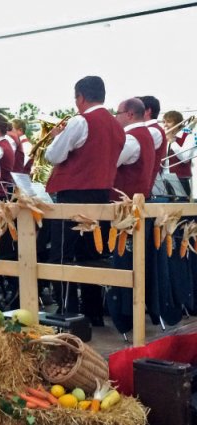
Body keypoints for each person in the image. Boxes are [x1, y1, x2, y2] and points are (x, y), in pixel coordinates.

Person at [44, 76, 125, 326]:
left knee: (62, 254)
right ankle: (93, 313)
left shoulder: (81, 121)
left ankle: (66, 312)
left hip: (74, 195)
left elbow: (53, 155)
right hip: (101, 195)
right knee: (92, 255)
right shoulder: (118, 126)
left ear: (80, 97)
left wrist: (57, 136)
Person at [107, 98, 155, 334]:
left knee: (123, 262)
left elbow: (109, 163)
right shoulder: (145, 135)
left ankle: (124, 317)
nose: (115, 118)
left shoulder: (132, 138)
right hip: (135, 205)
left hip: (125, 209)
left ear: (128, 114)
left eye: (116, 113)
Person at [137, 96, 167, 190]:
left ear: (147, 111)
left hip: (141, 187)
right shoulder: (149, 130)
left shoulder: (153, 131)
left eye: (137, 110)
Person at [163, 110, 194, 197]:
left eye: (168, 122)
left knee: (181, 206)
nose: (165, 125)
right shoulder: (166, 136)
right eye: (164, 122)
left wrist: (172, 142)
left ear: (178, 123)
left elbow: (185, 159)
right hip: (164, 177)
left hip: (180, 178)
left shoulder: (188, 136)